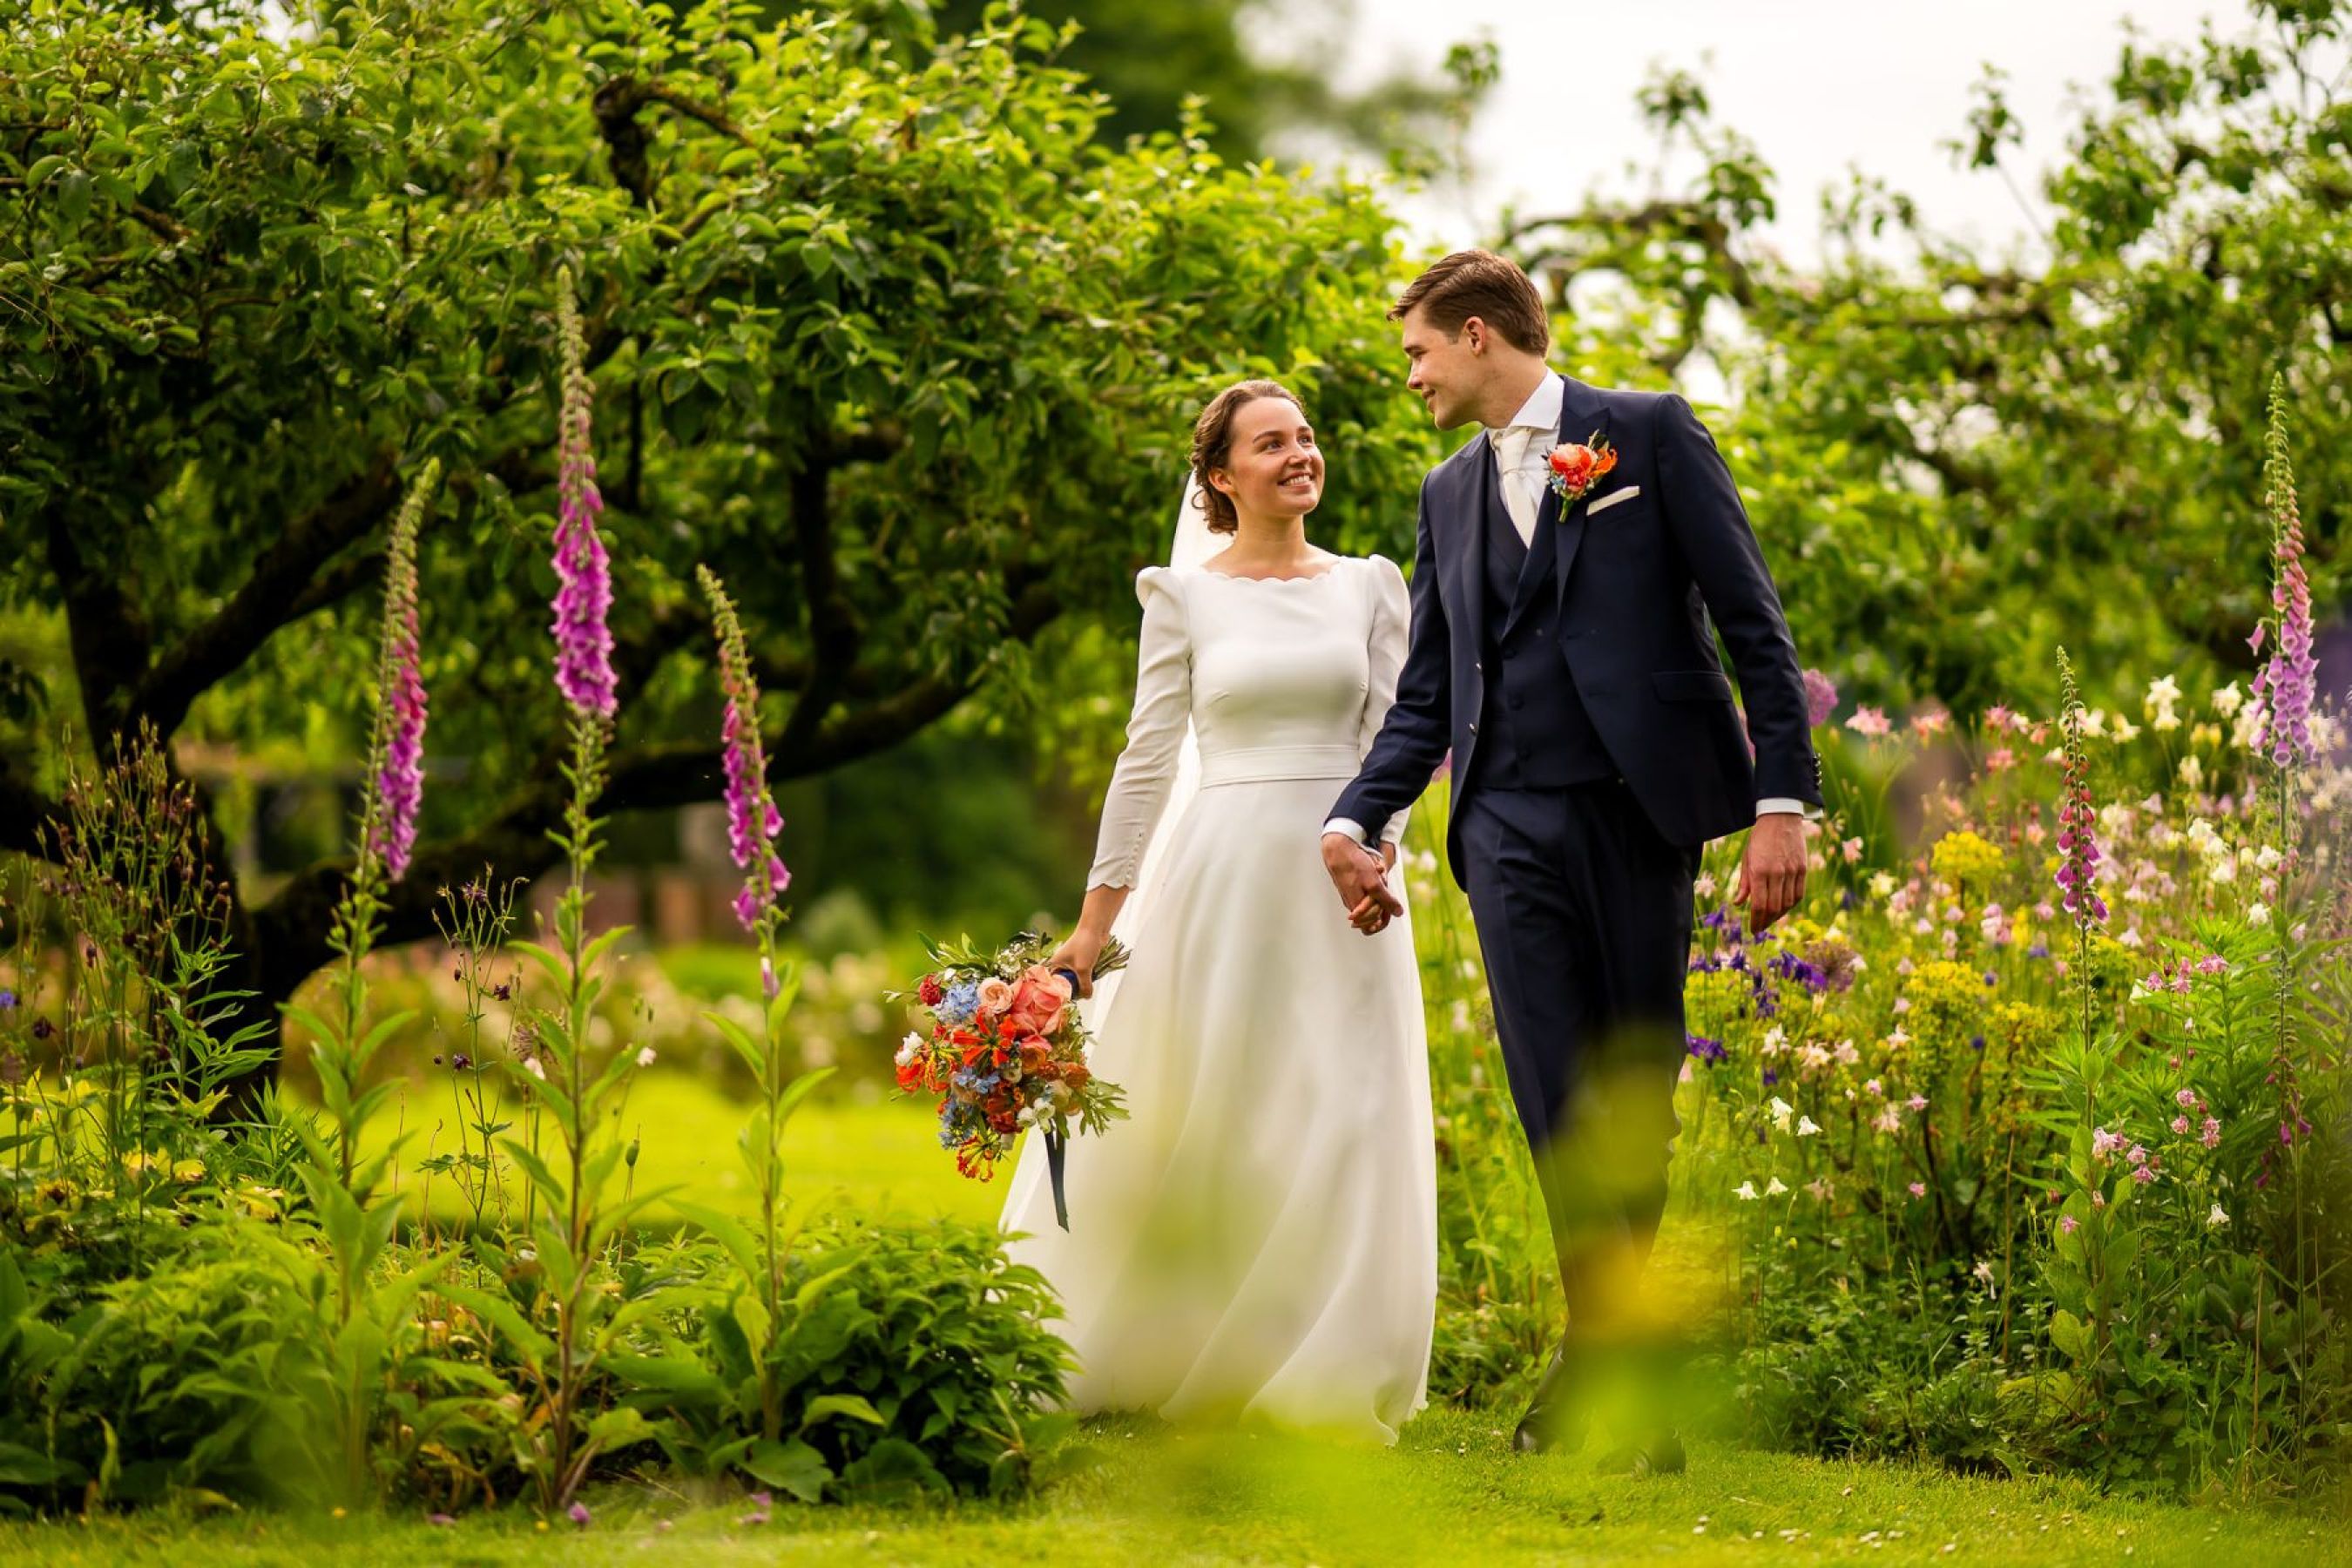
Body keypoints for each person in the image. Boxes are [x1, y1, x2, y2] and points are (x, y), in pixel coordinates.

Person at [1325, 249, 1821, 1472]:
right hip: (1503, 823)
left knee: (1633, 1094)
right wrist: (1358, 816)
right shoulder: (1447, 492)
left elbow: (1753, 622)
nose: (1412, 377)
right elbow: (1430, 689)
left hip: (1635, 813)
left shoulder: (1646, 436)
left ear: (1484, 334)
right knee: (1555, 1094)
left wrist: (1783, 802)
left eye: (1419, 352)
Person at [997, 380, 1436, 1444]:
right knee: (1218, 1105)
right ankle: (1175, 1339)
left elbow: (1404, 742)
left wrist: (1380, 856)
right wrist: (1095, 929)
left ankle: (1325, 1365)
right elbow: (1148, 761)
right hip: (1222, 876)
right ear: (1221, 477)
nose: (1300, 454)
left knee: (1346, 1108)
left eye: (1306, 437)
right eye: (1271, 442)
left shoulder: (1374, 588)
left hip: (1345, 885)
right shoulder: (1183, 598)